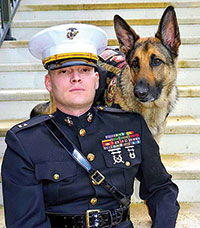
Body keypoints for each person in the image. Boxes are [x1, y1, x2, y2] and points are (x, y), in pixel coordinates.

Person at [2, 23, 180, 228]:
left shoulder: (130, 126)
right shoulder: (24, 143)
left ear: (97, 79)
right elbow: (25, 222)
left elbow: (161, 188)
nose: (76, 77)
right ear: (49, 83)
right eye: (64, 71)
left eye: (85, 70)